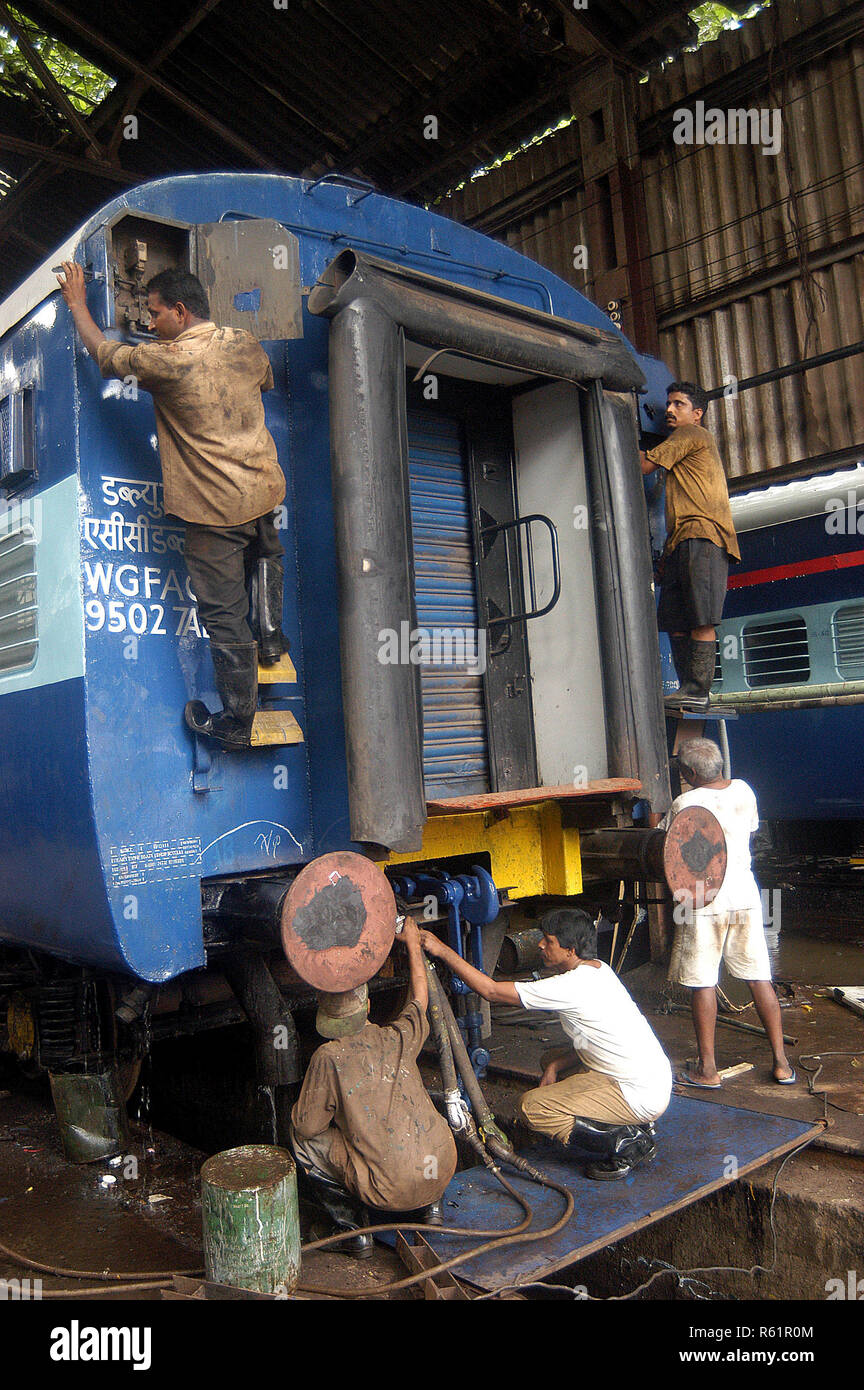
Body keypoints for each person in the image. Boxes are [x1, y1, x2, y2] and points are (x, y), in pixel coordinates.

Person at [56, 260, 288, 749]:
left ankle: (237, 724)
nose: (150, 325)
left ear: (180, 312)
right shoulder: (244, 343)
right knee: (267, 555)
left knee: (223, 612)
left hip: (215, 508)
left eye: (156, 315)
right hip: (264, 488)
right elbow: (263, 381)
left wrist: (78, 304)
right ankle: (270, 637)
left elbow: (103, 353)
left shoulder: (165, 360)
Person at [421, 909, 672, 1181]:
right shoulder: (599, 969)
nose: (540, 944)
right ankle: (635, 1124)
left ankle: (626, 1143)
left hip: (638, 1094)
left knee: (534, 1108)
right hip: (649, 1080)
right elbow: (591, 1041)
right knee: (551, 1058)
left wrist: (441, 949)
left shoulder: (570, 986)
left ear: (570, 950)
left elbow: (490, 990)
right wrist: (554, 1066)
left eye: (548, 940)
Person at [290, 916, 457, 1256]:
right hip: (442, 1170)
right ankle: (431, 1208)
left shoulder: (328, 1056)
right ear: (367, 1006)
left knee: (302, 1138)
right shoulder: (397, 1036)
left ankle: (352, 1232)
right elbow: (420, 999)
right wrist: (411, 942)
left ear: (324, 1016)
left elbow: (307, 1126)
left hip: (389, 1190)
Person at [662, 737, 795, 1089]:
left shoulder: (685, 802)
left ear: (689, 773)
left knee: (703, 981)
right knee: (758, 977)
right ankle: (782, 1063)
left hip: (704, 900)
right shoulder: (745, 791)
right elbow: (745, 833)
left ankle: (708, 1070)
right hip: (745, 896)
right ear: (719, 765)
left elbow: (670, 850)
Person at [640, 381, 741, 711]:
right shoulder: (683, 440)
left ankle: (697, 689)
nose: (669, 410)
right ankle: (689, 689)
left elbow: (643, 466)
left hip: (703, 536)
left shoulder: (692, 435)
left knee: (700, 618)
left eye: (678, 404)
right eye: (668, 403)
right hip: (680, 541)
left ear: (696, 414)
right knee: (675, 619)